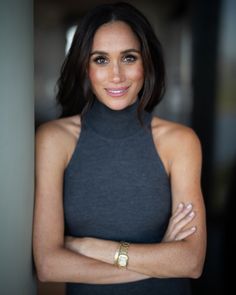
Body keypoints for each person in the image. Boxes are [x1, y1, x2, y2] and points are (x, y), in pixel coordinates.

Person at [33, 2, 206, 295]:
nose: (116, 75)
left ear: (146, 62)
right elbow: (49, 265)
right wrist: (161, 258)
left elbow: (190, 262)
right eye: (100, 60)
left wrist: (86, 246)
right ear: (84, 67)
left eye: (128, 58)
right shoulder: (54, 140)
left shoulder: (180, 141)